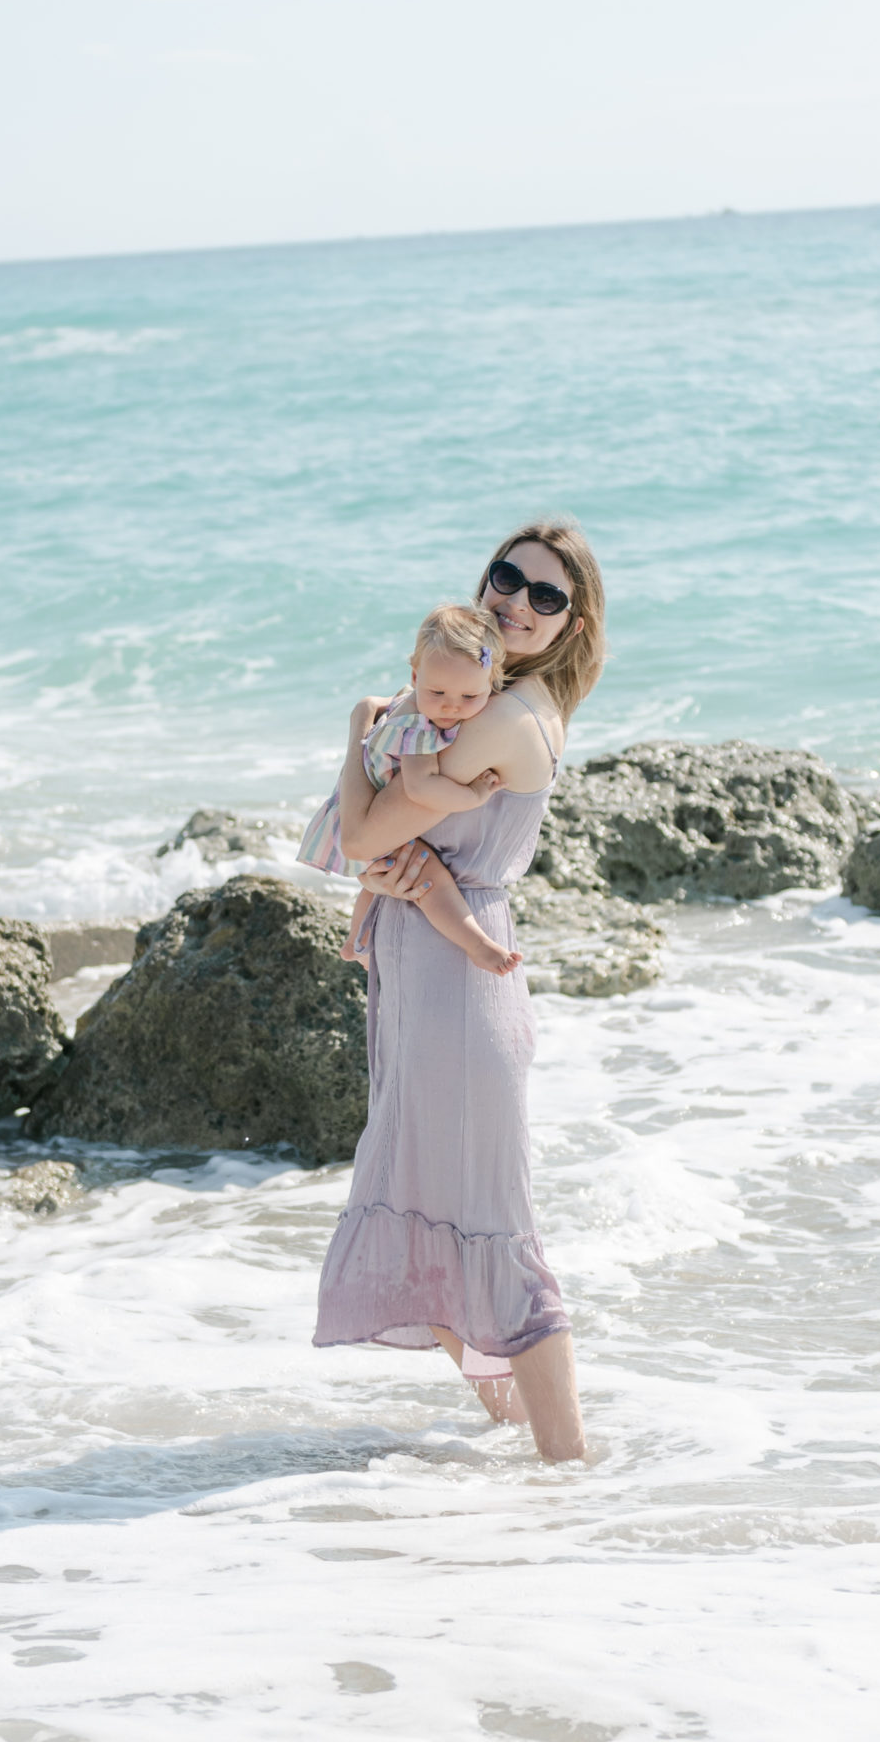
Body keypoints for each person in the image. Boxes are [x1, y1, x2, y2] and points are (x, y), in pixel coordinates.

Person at [312, 519, 605, 1464]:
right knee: (418, 1203)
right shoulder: (475, 695)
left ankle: (568, 1468)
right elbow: (385, 832)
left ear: (571, 622)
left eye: (545, 596)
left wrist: (358, 730)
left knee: (491, 1224)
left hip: (460, 981)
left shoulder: (503, 719)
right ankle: (516, 1432)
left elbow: (360, 836)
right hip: (419, 968)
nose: (516, 602)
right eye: (506, 578)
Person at [298, 600, 521, 978]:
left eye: (470, 697)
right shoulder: (418, 727)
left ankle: (355, 941)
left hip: (362, 806)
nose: (451, 708)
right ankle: (476, 943)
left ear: (492, 683)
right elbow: (420, 787)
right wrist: (474, 796)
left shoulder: (420, 701)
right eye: (438, 694)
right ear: (416, 677)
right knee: (428, 877)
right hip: (366, 814)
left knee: (378, 883)